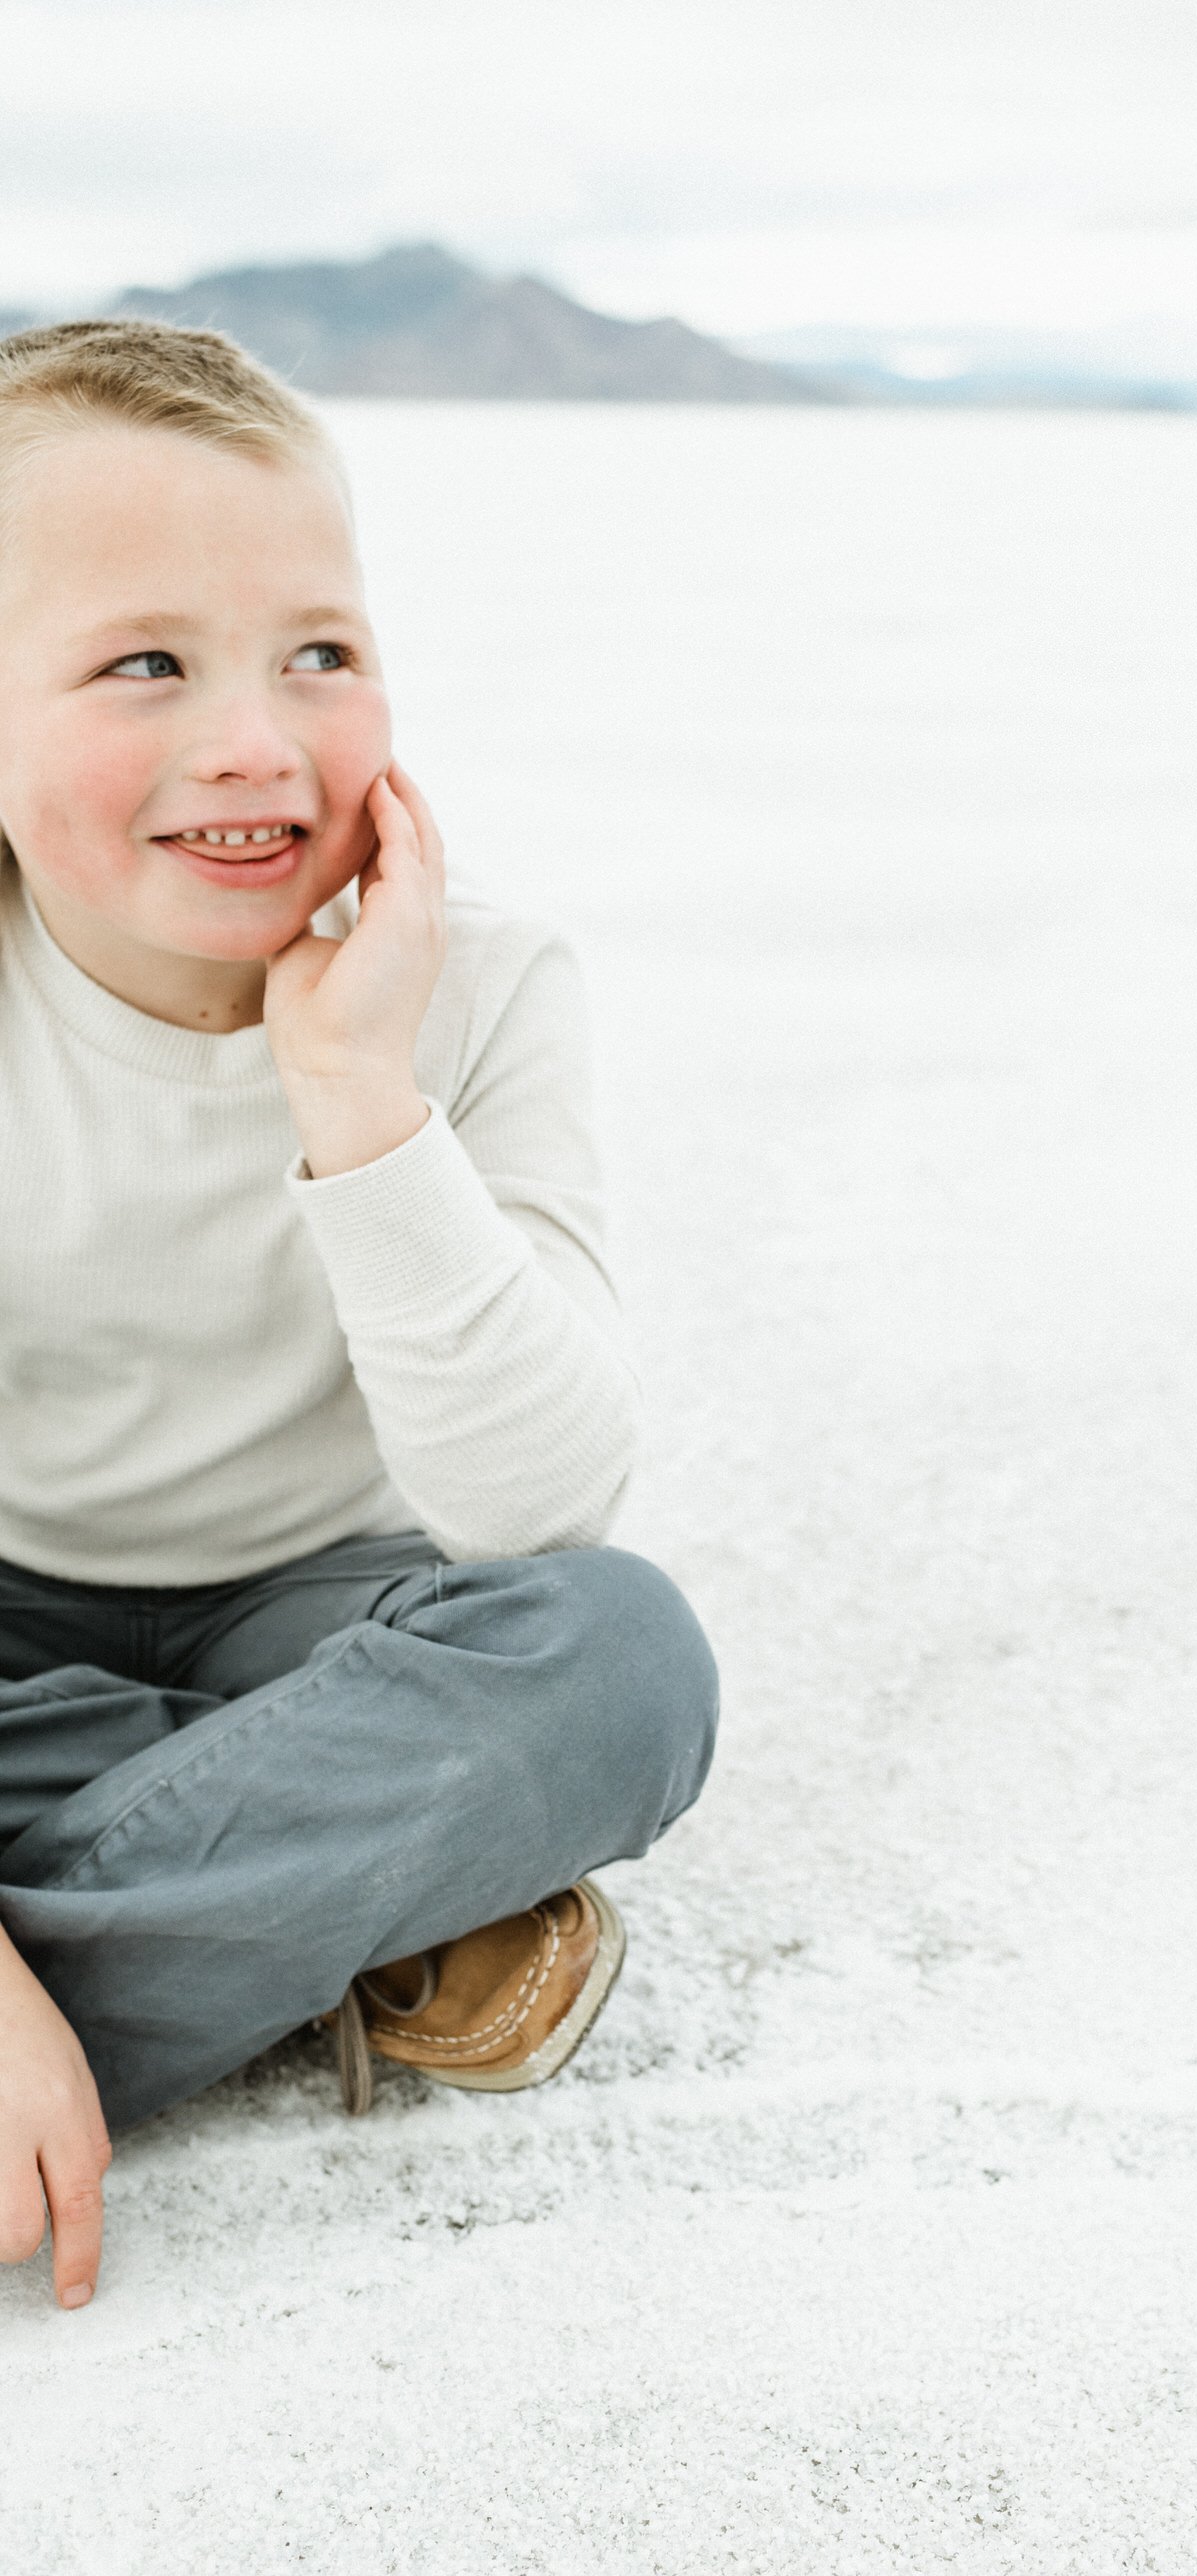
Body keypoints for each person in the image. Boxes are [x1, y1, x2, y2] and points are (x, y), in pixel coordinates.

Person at [0, 319, 719, 2311]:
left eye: (317, 651)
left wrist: (358, 1099)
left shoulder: (477, 984)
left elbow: (538, 1511)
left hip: (334, 1624)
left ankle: (203, 1915)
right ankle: (343, 1924)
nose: (257, 739)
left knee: (614, 1665)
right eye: (144, 663)